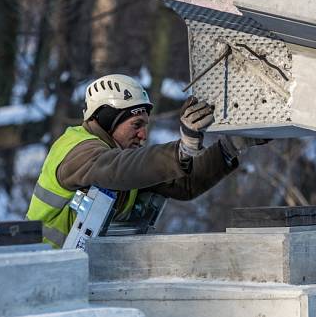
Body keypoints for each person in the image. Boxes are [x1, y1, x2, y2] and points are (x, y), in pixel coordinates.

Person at [26, 74, 267, 248]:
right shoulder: (78, 149)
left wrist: (231, 145)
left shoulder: (124, 159)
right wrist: (181, 149)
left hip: (75, 274)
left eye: (145, 125)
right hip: (43, 272)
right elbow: (115, 169)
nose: (143, 135)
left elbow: (184, 183)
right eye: (136, 125)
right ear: (109, 120)